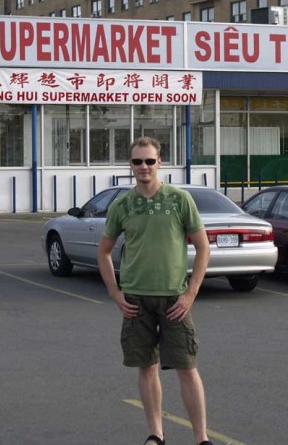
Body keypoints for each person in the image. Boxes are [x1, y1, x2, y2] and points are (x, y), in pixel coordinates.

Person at [97, 136, 213, 445]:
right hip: (136, 301)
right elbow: (103, 252)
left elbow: (203, 248)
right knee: (147, 368)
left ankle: (201, 439)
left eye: (150, 161)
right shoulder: (122, 205)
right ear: (130, 165)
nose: (144, 167)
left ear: (160, 162)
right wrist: (115, 294)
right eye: (138, 161)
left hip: (174, 299)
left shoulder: (179, 200)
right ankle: (156, 435)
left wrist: (190, 294)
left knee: (187, 368)